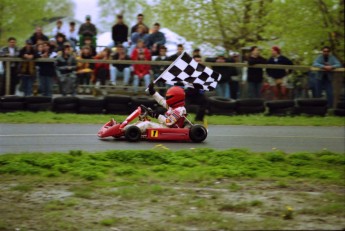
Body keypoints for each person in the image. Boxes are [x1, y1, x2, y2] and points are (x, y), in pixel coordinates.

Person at [184, 55, 208, 122]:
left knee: (205, 100)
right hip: (188, 93)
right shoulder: (188, 71)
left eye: (199, 61)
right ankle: (183, 120)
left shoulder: (204, 72)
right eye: (196, 61)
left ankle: (199, 118)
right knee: (184, 106)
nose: (198, 62)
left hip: (198, 94)